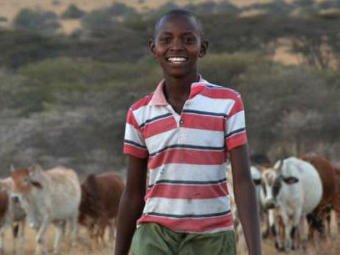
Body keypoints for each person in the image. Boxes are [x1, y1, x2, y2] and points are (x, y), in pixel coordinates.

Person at [115, 9, 262, 255]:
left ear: (202, 48)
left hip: (213, 237)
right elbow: (132, 193)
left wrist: (256, 251)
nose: (176, 47)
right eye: (166, 39)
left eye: (187, 39)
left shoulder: (227, 103)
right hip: (154, 235)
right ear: (153, 48)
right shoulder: (139, 113)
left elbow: (243, 182)